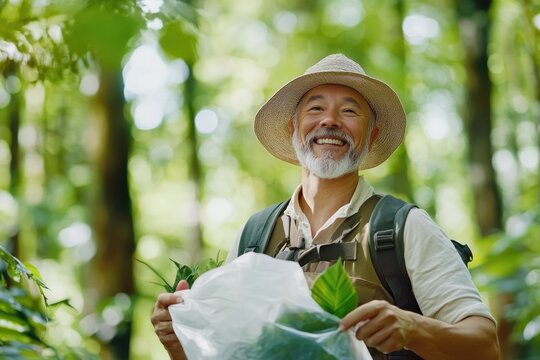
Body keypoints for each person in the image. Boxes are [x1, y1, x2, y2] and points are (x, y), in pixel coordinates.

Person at [151, 54, 499, 359]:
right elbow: (229, 352)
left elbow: (485, 348)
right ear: (293, 129)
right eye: (316, 108)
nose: (330, 121)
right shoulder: (255, 236)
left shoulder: (402, 227)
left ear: (372, 135)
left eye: (349, 111)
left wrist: (413, 329)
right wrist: (178, 340)